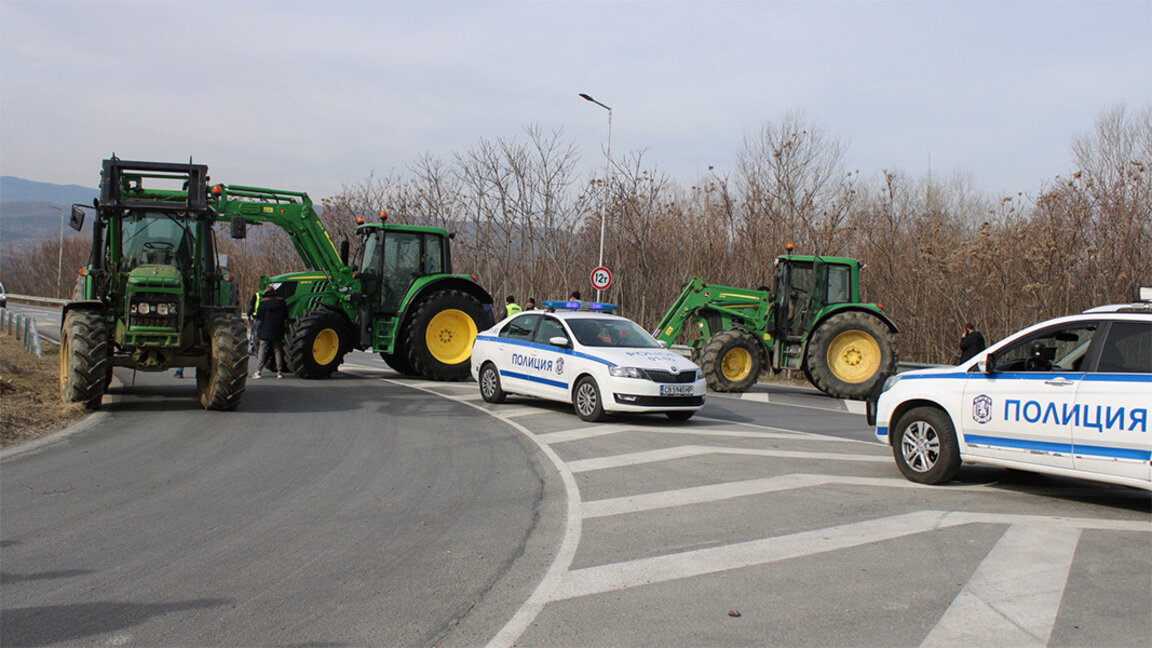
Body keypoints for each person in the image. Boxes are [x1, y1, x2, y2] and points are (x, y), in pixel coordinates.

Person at [253, 286, 289, 379]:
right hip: (278, 330)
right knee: (277, 350)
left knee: (263, 350)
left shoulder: (263, 302)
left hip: (265, 330)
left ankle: (258, 371)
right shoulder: (281, 302)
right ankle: (279, 372)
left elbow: (258, 316)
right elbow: (286, 314)